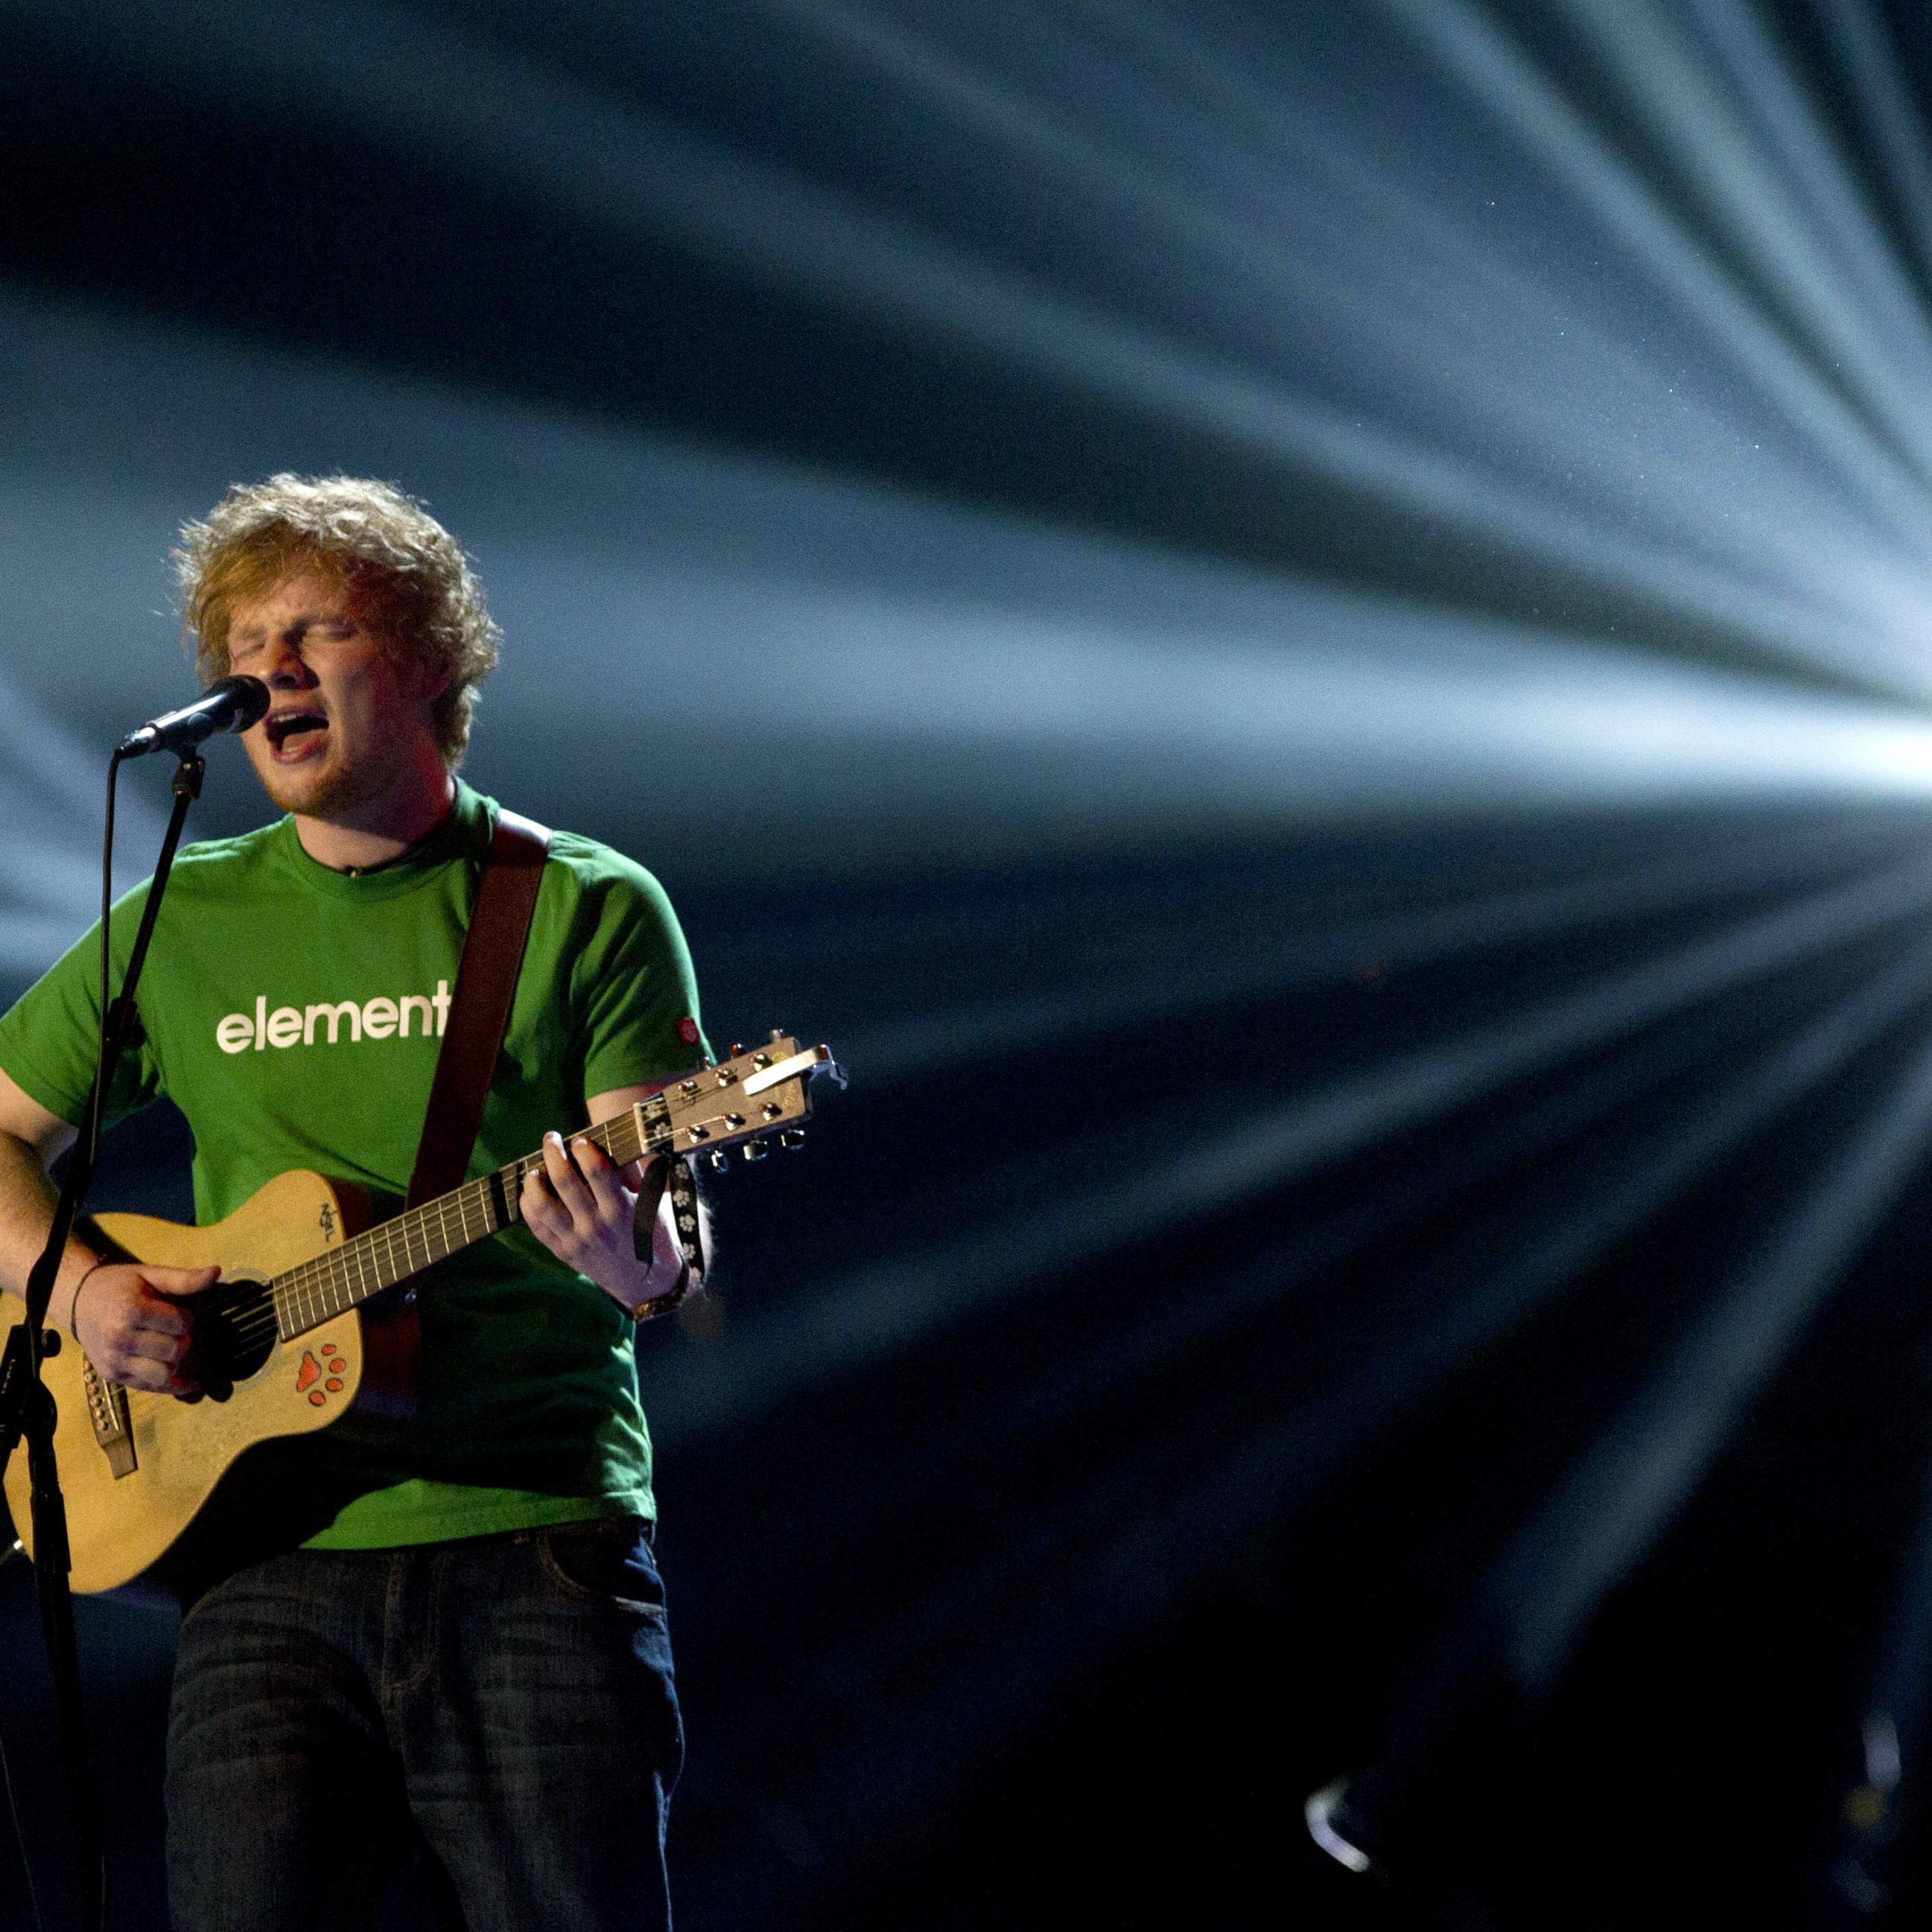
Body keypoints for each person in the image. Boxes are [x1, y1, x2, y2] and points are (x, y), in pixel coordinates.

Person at [0, 474, 705, 1930]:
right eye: (248, 640)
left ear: (435, 660)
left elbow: (664, 1248)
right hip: (257, 1563)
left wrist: (629, 1258)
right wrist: (81, 1292)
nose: (272, 669)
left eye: (318, 629)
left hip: (532, 1547)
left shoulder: (582, 903)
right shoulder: (179, 918)